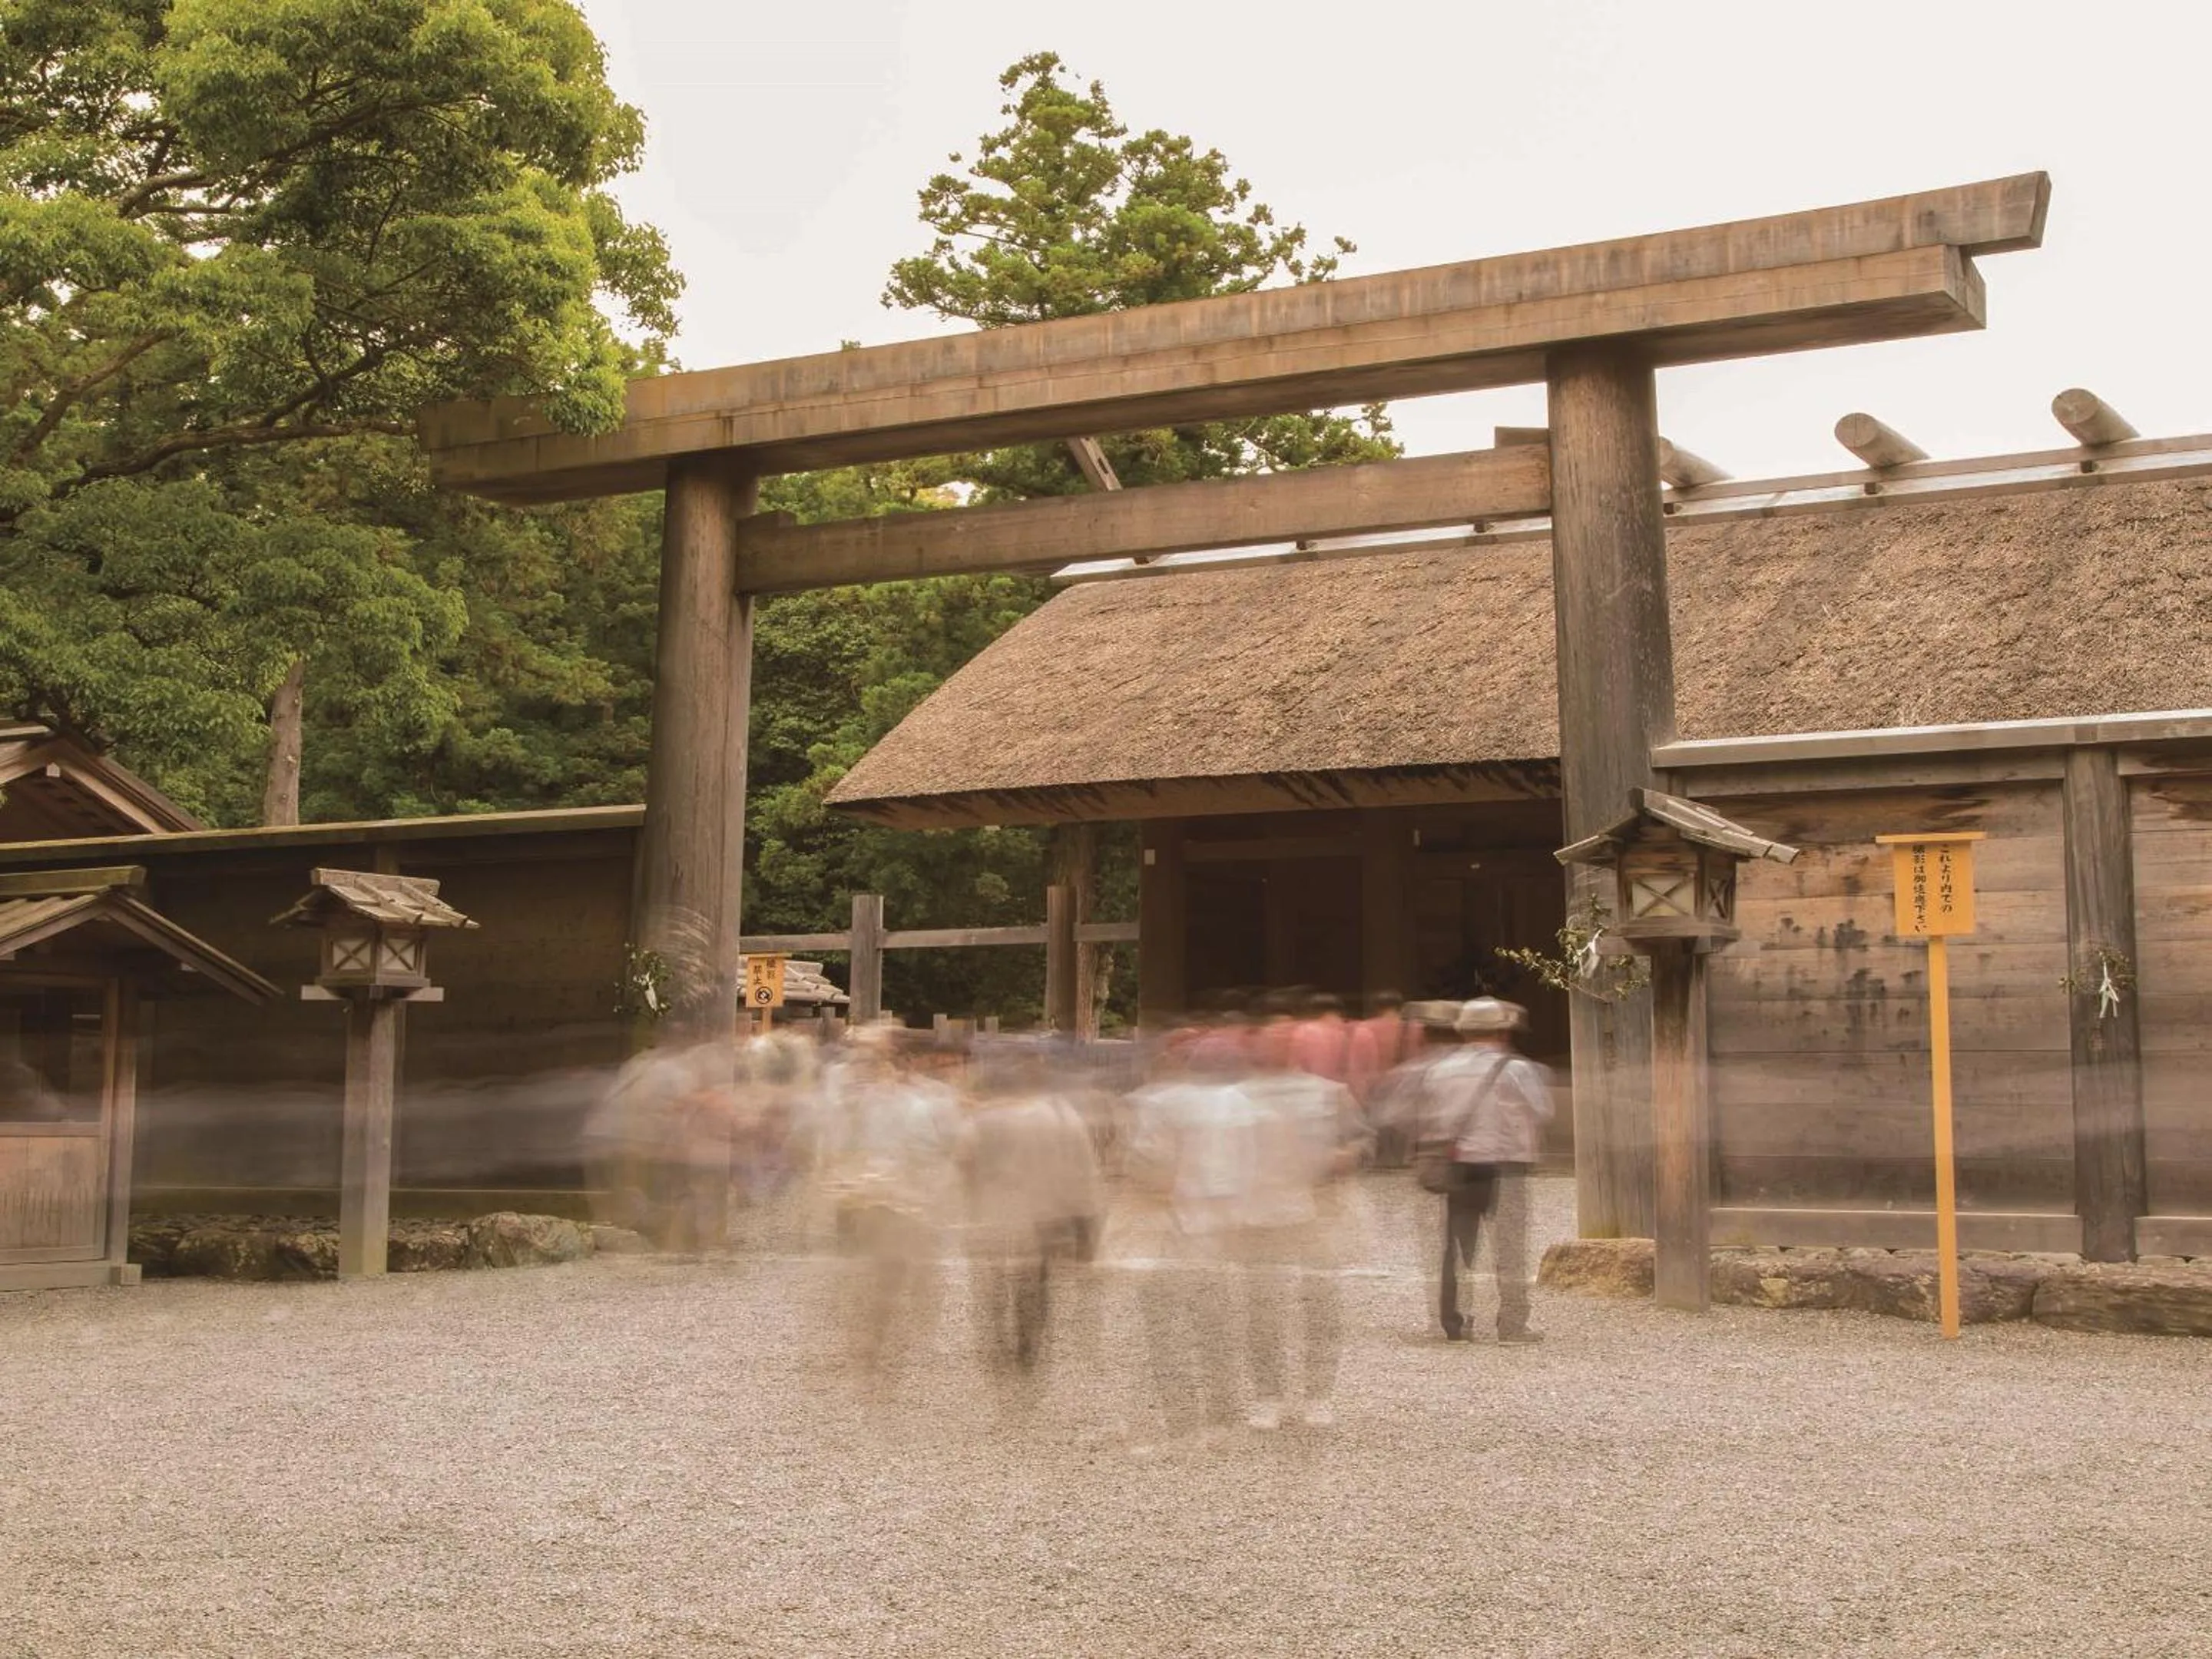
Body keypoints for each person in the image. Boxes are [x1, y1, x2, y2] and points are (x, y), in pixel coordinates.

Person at [1417, 998, 1552, 1345]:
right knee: (1509, 1246)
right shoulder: (1517, 1069)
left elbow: (1431, 1118)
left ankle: (1456, 1322)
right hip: (1507, 1164)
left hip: (1461, 1165)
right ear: (1503, 1031)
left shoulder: (1441, 1069)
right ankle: (1511, 1323)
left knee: (1459, 1246)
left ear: (1463, 1031)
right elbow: (1542, 1110)